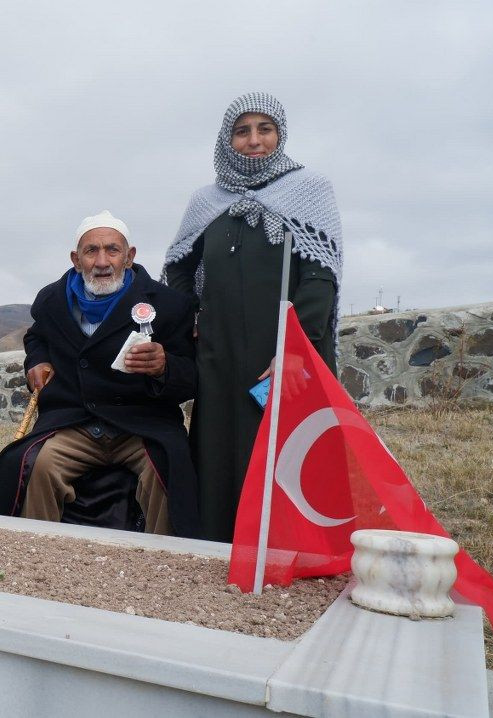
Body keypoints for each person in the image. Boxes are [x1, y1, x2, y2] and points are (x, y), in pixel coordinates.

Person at [162, 92, 342, 542]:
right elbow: (179, 269)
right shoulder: (207, 200)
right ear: (228, 139)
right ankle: (220, 545)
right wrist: (193, 319)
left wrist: (296, 349)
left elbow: (320, 278)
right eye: (242, 131)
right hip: (219, 353)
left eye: (265, 129)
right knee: (220, 448)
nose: (254, 140)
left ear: (280, 134)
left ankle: (290, 546)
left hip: (285, 348)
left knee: (289, 446)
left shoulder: (309, 190)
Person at [0, 211, 200, 537]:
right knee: (38, 466)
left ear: (130, 257)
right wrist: (36, 362)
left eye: (112, 250)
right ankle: (31, 552)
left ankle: (165, 559)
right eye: (91, 251)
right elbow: (37, 337)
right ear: (76, 258)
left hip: (140, 425)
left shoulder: (169, 305)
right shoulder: (52, 300)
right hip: (74, 422)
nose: (102, 261)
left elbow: (191, 373)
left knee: (165, 470)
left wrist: (164, 366)